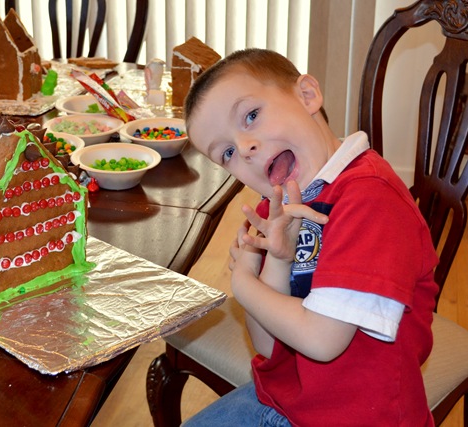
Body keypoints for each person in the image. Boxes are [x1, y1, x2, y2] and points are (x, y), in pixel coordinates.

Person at [182, 48, 439, 426]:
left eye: (251, 116)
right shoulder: (277, 208)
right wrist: (277, 262)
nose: (246, 149)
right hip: (285, 402)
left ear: (307, 95)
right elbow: (268, 345)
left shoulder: (370, 197)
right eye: (227, 152)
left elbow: (321, 340)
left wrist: (244, 284)